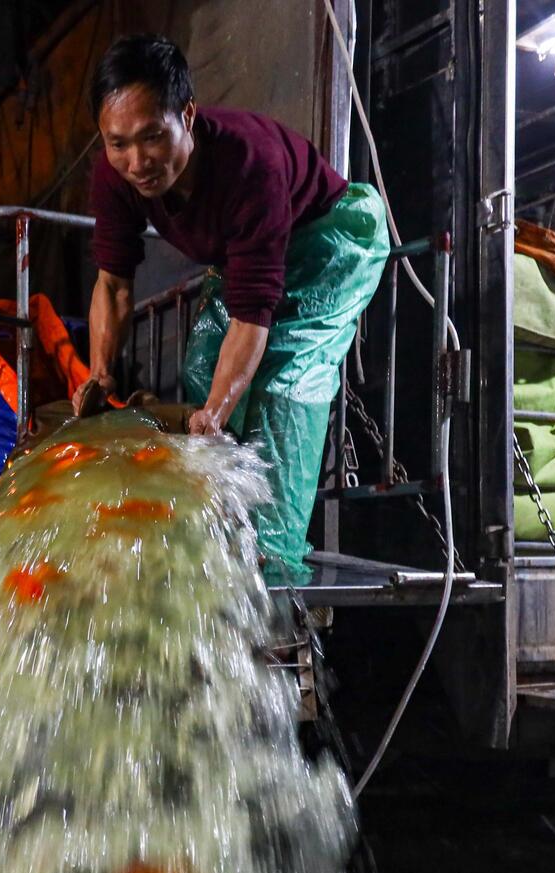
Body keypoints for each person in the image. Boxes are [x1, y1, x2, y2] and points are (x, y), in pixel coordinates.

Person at [72, 34, 389, 582]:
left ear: (187, 116)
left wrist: (215, 415)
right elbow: (114, 284)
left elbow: (251, 317)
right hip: (261, 254)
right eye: (117, 142)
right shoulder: (115, 173)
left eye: (152, 137)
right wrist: (99, 371)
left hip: (334, 240)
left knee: (282, 385)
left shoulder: (250, 165)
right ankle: (221, 535)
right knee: (203, 365)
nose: (137, 162)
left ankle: (273, 565)